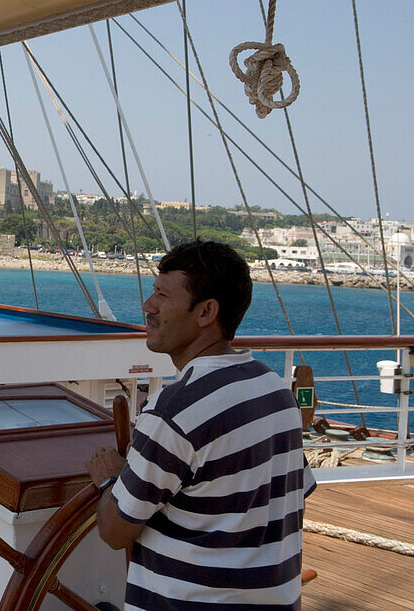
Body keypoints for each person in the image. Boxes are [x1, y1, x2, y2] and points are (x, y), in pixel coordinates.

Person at [86, 240, 315, 610]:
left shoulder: (173, 412)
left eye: (162, 295)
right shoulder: (275, 391)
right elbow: (284, 494)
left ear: (206, 311)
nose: (149, 306)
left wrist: (111, 479)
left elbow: (114, 531)